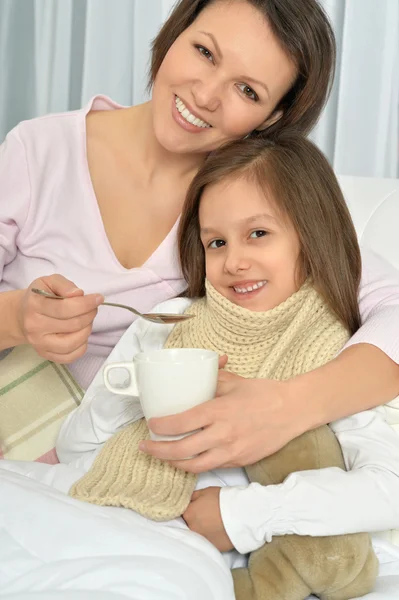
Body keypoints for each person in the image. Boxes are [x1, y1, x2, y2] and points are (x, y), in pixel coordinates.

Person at [0, 0, 398, 467]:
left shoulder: (253, 200)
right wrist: (17, 316)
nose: (206, 95)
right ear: (175, 32)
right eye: (205, 53)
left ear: (271, 118)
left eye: (247, 90)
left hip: (133, 465)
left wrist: (287, 407)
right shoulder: (38, 151)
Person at [54, 133, 399, 600]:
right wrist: (138, 393)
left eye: (258, 233)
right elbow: (75, 447)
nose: (234, 261)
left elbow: (387, 490)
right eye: (216, 242)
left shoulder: (340, 352)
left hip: (218, 557)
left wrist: (240, 516)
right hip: (119, 516)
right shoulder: (169, 322)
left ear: (313, 235)